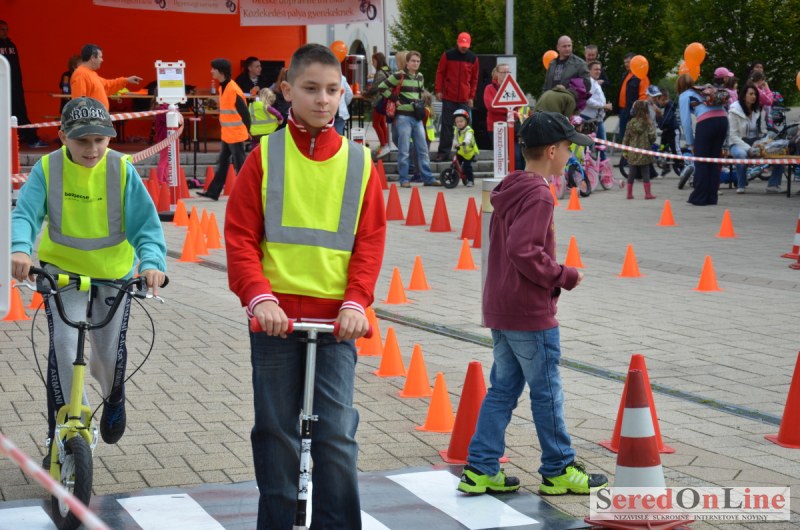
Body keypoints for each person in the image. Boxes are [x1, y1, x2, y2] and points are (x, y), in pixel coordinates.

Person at [224, 43, 386, 530]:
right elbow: (240, 237)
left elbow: (369, 243)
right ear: (287, 90)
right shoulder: (265, 156)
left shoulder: (360, 163)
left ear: (343, 94)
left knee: (336, 433)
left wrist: (356, 303)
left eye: (332, 90)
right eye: (311, 88)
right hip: (274, 322)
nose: (323, 99)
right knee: (275, 432)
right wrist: (259, 298)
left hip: (337, 323)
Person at [457, 111, 607, 497]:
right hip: (528, 311)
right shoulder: (539, 194)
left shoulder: (511, 186)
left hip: (501, 306)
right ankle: (559, 468)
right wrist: (564, 275)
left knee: (503, 389)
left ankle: (480, 469)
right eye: (569, 147)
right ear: (552, 151)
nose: (572, 154)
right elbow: (523, 250)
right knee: (547, 392)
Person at [10, 97, 167, 463]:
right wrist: (20, 249)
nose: (92, 148)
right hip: (62, 272)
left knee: (108, 356)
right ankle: (67, 429)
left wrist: (152, 263)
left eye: (100, 139)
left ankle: (113, 395)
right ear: (63, 136)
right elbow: (25, 214)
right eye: (82, 140)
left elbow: (146, 225)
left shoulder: (120, 169)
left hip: (113, 275)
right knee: (64, 348)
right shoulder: (48, 168)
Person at [379, 50, 441, 188]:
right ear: (407, 62)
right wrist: (394, 99)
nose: (415, 63)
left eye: (418, 61)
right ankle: (404, 179)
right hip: (403, 117)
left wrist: (421, 105)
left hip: (416, 117)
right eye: (413, 61)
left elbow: (420, 94)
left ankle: (428, 178)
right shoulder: (399, 75)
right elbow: (382, 87)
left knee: (423, 149)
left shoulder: (420, 77)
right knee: (404, 150)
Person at [196, 58, 251, 201]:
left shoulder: (233, 89)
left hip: (236, 134)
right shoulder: (223, 88)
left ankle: (248, 193)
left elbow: (245, 114)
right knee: (223, 164)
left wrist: (248, 131)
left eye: (213, 69)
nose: (211, 71)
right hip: (228, 133)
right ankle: (213, 192)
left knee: (240, 165)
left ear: (221, 71)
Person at [677, 73, 728, 206]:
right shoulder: (703, 90)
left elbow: (686, 122)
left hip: (706, 124)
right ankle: (712, 197)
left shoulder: (684, 95)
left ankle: (699, 197)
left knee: (701, 161)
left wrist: (690, 143)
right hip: (723, 121)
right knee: (714, 161)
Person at [728, 83, 784, 194]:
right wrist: (749, 149)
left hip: (756, 142)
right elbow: (733, 136)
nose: (754, 96)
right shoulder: (734, 111)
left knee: (779, 153)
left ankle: (773, 185)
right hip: (737, 143)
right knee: (741, 155)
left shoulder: (759, 110)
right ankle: (741, 185)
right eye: (751, 94)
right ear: (744, 96)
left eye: (755, 94)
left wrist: (765, 141)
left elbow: (763, 131)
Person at [0, 20, 48, 147]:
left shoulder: (11, 45)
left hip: (15, 85)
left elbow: (17, 66)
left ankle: (27, 137)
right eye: (2, 29)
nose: (5, 32)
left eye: (6, 29)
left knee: (19, 111)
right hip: (2, 86)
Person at [434, 32, 479, 162]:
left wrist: (471, 96)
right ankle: (443, 153)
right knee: (447, 125)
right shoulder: (447, 55)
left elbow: (474, 79)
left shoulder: (473, 58)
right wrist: (438, 90)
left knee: (467, 127)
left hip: (464, 98)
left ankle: (469, 154)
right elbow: (440, 73)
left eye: (466, 46)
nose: (463, 48)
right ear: (457, 43)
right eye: (461, 45)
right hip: (449, 96)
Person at [70, 44, 142, 110]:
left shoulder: (91, 74)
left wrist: (126, 80)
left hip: (98, 118)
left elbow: (108, 86)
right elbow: (79, 103)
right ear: (93, 58)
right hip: (91, 119)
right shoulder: (80, 74)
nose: (102, 60)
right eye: (100, 57)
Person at [622, 100, 657, 200]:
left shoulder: (630, 123)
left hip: (632, 152)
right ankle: (648, 194)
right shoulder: (648, 123)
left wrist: (625, 151)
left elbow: (626, 138)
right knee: (645, 172)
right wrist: (650, 141)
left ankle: (629, 194)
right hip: (644, 151)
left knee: (631, 173)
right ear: (646, 110)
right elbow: (652, 136)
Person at [580, 60, 612, 160]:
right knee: (589, 147)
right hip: (588, 119)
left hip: (597, 119)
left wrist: (604, 107)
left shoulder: (595, 83)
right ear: (589, 71)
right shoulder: (589, 82)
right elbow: (587, 100)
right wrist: (603, 106)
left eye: (599, 69)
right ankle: (589, 166)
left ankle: (600, 165)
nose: (598, 71)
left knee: (600, 146)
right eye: (596, 69)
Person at [617, 52, 649, 143]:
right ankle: (624, 152)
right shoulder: (625, 75)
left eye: (628, 62)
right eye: (625, 62)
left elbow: (643, 96)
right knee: (623, 136)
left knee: (631, 137)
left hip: (633, 112)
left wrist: (638, 112)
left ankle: (627, 152)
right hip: (623, 110)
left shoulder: (641, 76)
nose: (626, 64)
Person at [365, 52, 392, 158]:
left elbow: (375, 88)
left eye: (373, 61)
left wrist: (365, 93)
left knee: (376, 124)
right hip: (385, 100)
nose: (372, 63)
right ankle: (384, 144)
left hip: (379, 101)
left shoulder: (380, 73)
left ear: (378, 61)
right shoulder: (387, 70)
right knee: (381, 123)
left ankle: (384, 144)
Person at [482, 64, 512, 143]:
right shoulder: (489, 88)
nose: (506, 75)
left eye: (508, 72)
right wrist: (509, 110)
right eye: (503, 72)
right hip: (495, 126)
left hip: (511, 126)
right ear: (497, 73)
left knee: (511, 150)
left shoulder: (512, 88)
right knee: (499, 150)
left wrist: (511, 111)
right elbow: (491, 107)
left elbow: (518, 107)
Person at [655, 88, 681, 176]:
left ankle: (682, 166)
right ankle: (666, 167)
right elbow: (659, 121)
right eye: (662, 100)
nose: (664, 102)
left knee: (675, 150)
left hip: (673, 131)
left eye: (666, 99)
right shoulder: (660, 107)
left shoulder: (670, 107)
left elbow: (665, 121)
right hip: (666, 132)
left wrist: (659, 119)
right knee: (663, 148)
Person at [452, 108, 479, 187]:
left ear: (466, 121)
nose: (459, 123)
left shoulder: (469, 130)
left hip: (469, 153)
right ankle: (453, 178)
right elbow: (455, 139)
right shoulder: (456, 130)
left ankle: (470, 180)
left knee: (467, 167)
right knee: (455, 164)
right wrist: (455, 144)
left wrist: (464, 142)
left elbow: (468, 138)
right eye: (457, 122)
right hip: (460, 152)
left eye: (461, 121)